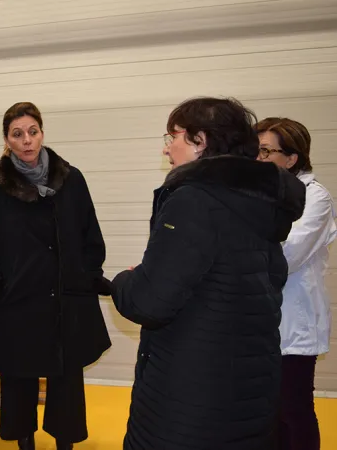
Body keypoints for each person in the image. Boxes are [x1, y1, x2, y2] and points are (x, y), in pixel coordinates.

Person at [107, 97, 307, 449]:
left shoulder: (194, 200)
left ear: (201, 141)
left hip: (190, 397)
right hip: (249, 391)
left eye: (174, 137)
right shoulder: (260, 204)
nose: (167, 149)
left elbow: (150, 302)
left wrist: (124, 281)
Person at [0, 102, 111, 450]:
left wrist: (86, 276)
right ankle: (25, 442)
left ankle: (65, 443)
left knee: (67, 381)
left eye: (33, 131)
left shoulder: (71, 179)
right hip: (18, 301)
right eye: (18, 134)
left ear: (42, 133)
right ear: (7, 140)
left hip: (66, 297)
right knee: (19, 380)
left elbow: (91, 234)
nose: (27, 140)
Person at [256, 117, 336, 450]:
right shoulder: (255, 192)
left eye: (265, 151)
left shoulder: (315, 198)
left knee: (293, 409)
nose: (257, 159)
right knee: (262, 412)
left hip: (294, 324)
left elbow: (287, 255)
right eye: (254, 151)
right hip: (258, 320)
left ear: (291, 159)